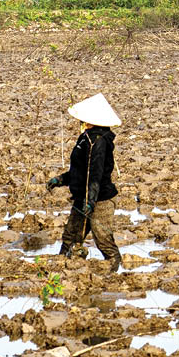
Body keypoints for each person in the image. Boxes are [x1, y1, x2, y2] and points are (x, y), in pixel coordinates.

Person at [46, 93, 122, 271]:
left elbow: (95, 174)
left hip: (100, 199)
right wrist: (61, 179)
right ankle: (64, 270)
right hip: (84, 197)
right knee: (71, 237)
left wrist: (91, 201)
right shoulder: (86, 138)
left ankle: (115, 271)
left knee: (103, 239)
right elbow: (80, 170)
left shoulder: (99, 141)